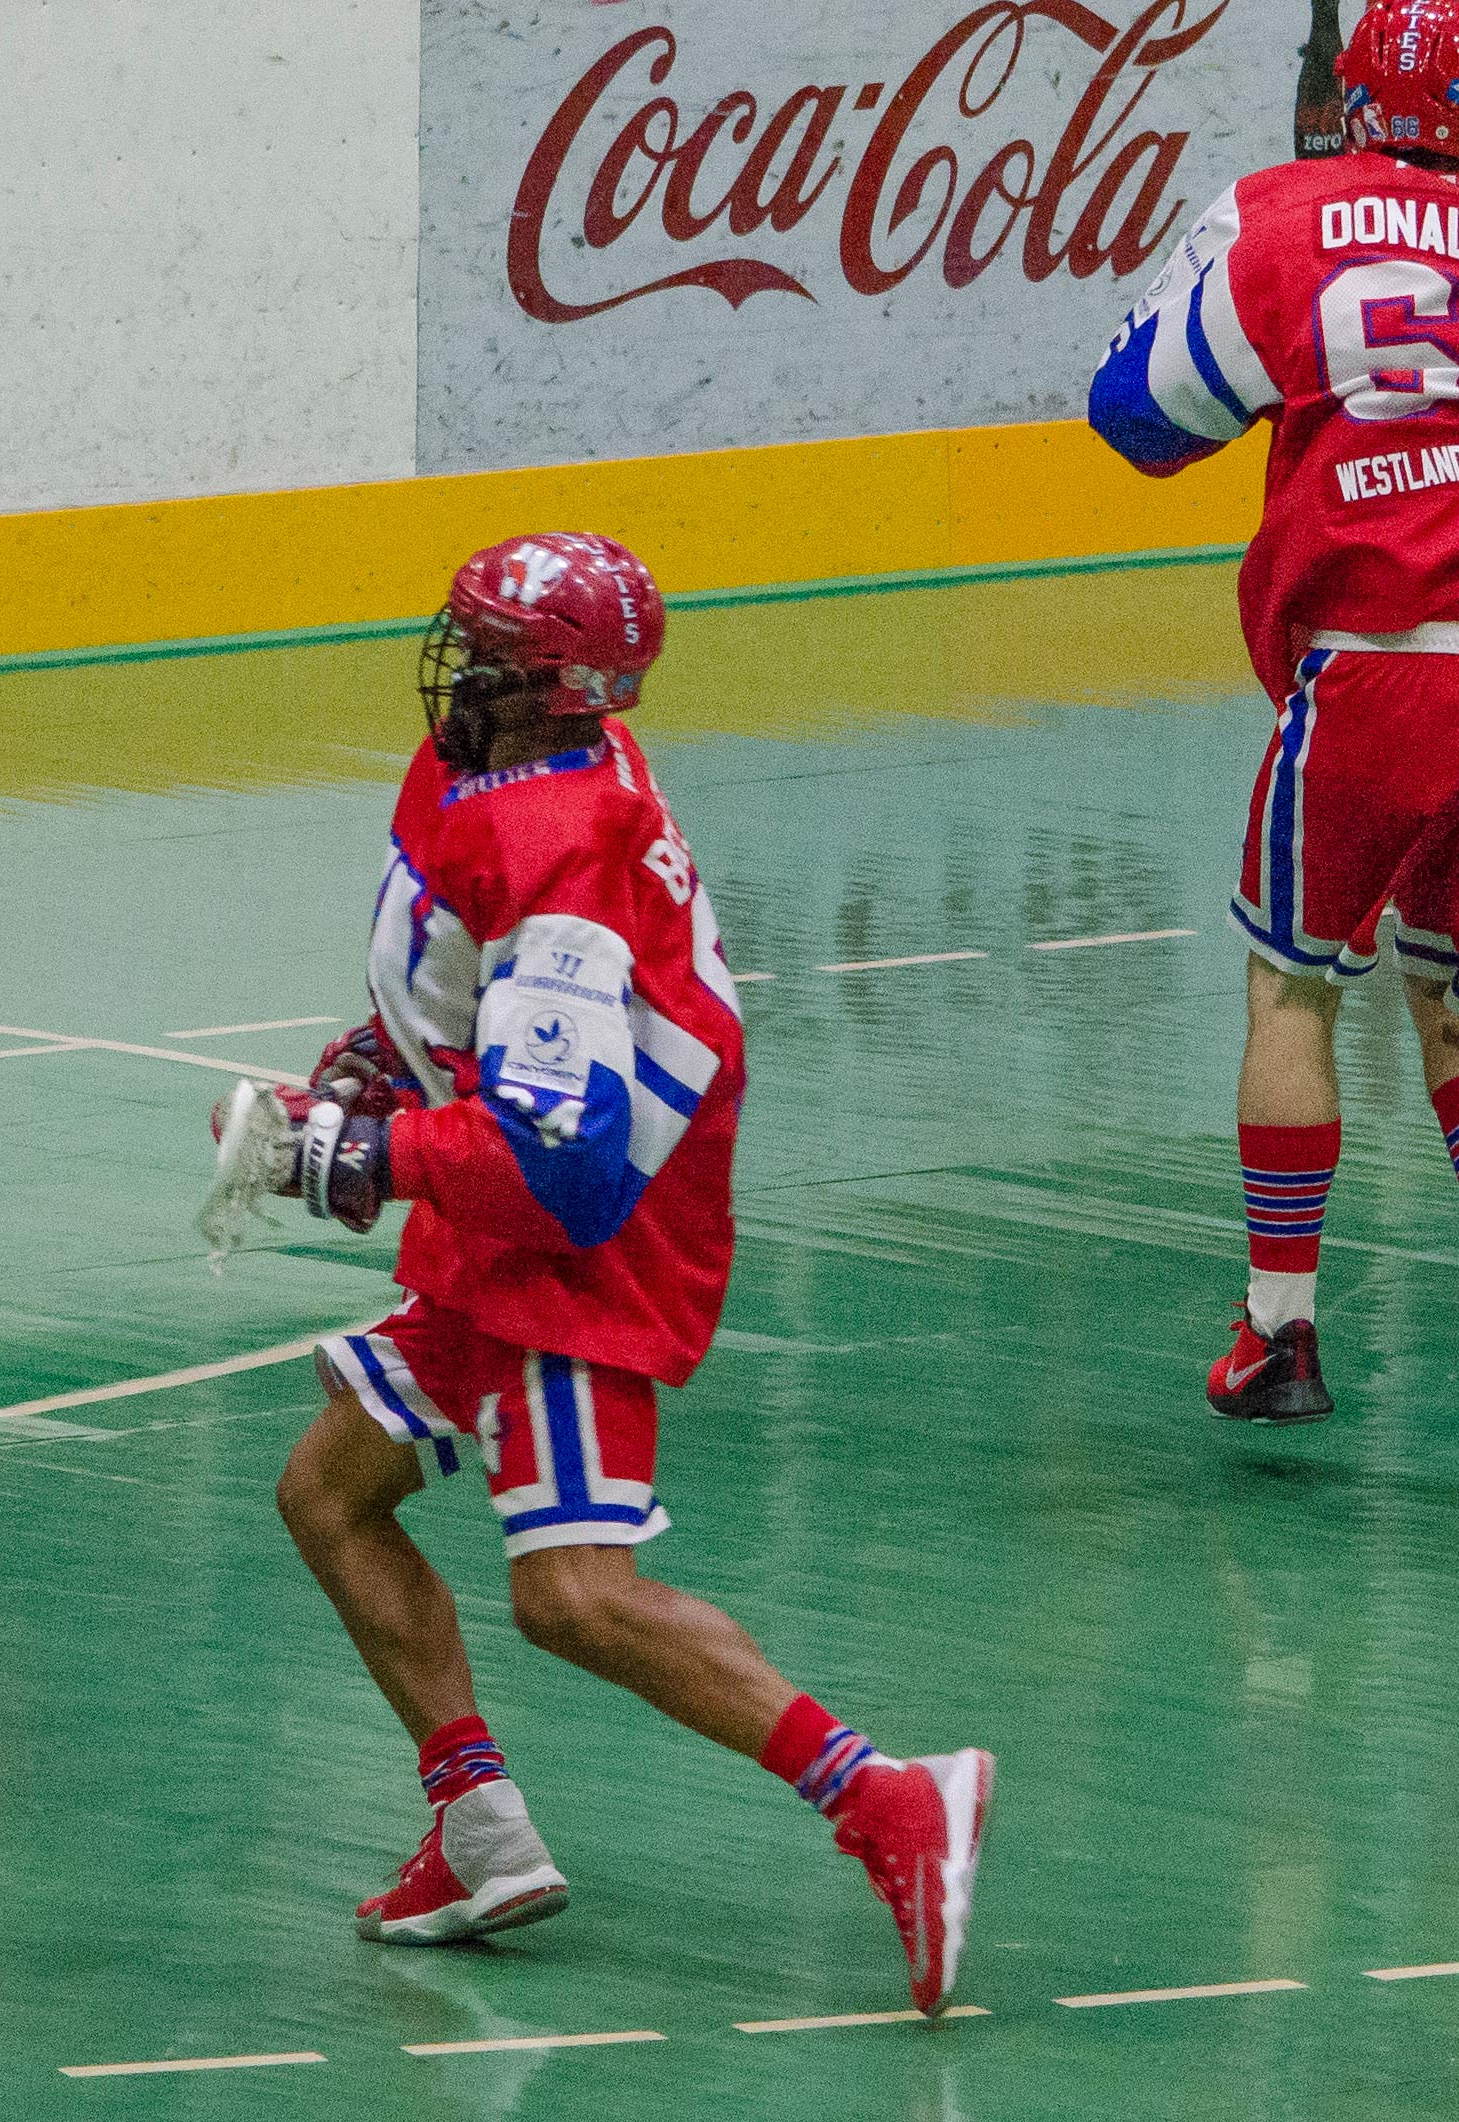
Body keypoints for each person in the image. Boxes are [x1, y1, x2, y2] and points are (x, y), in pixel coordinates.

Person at [240, 532, 991, 2014]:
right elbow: (465, 977)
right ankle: (479, 1831)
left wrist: (355, 1157)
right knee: (327, 1494)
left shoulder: (561, 845)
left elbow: (560, 1155)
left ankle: (890, 1796)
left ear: (553, 685)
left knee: (572, 1595)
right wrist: (378, 1065)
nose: (453, 663)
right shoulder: (498, 764)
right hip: (514, 1206)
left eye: (486, 646)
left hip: (584, 1238)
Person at [1089, 0, 1459, 1427]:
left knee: (1293, 981)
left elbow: (1134, 415)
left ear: (1346, 98)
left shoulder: (1284, 213)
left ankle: (1277, 1334)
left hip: (1372, 662)